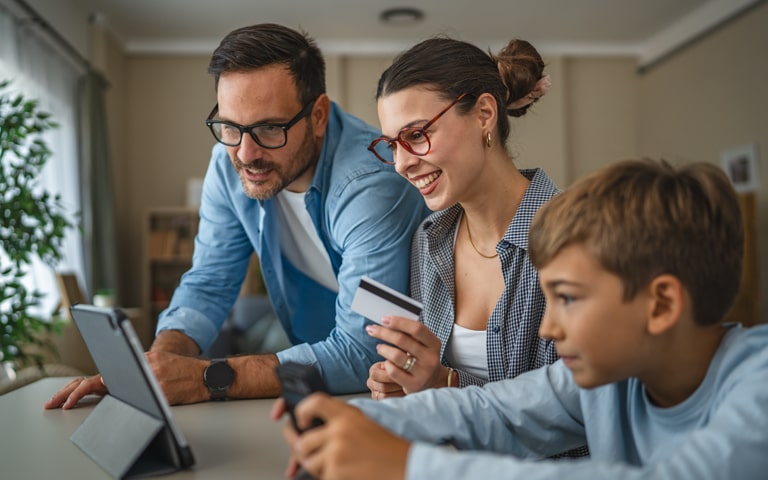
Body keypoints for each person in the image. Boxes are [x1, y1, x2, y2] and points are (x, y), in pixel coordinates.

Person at [275, 158, 768, 479]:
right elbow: (491, 411)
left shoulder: (758, 387)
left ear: (661, 305)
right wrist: (352, 418)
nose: (547, 328)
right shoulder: (614, 374)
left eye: (568, 299)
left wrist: (407, 465)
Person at [44, 23, 428, 409]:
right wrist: (158, 365)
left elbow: (365, 350)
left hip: (401, 387)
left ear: (318, 116)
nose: (245, 154)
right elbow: (210, 282)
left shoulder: (371, 185)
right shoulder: (228, 167)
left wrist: (207, 377)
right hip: (315, 381)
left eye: (268, 128)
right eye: (230, 126)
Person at [363, 36, 557, 399]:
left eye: (417, 134)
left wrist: (444, 383)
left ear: (484, 114)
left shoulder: (575, 237)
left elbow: (581, 410)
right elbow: (428, 383)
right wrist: (406, 383)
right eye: (392, 145)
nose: (401, 164)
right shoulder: (429, 238)